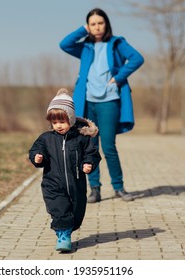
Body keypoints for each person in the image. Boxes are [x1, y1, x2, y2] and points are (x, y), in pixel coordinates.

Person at [59, 8, 144, 203]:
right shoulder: (85, 48)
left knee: (108, 146)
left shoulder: (116, 43)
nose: (97, 27)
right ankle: (94, 189)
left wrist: (119, 78)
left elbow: (137, 58)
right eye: (93, 24)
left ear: (106, 24)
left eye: (100, 23)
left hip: (109, 101)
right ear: (89, 26)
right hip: (87, 101)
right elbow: (64, 44)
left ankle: (119, 187)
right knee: (90, 147)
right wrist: (83, 30)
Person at [29, 88, 101, 252]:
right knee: (60, 210)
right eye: (54, 122)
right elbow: (35, 150)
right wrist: (37, 157)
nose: (58, 126)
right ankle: (63, 237)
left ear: (71, 119)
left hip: (76, 184)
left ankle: (67, 229)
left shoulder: (81, 138)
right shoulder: (46, 138)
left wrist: (88, 163)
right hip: (52, 184)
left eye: (62, 121)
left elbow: (92, 153)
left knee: (76, 214)